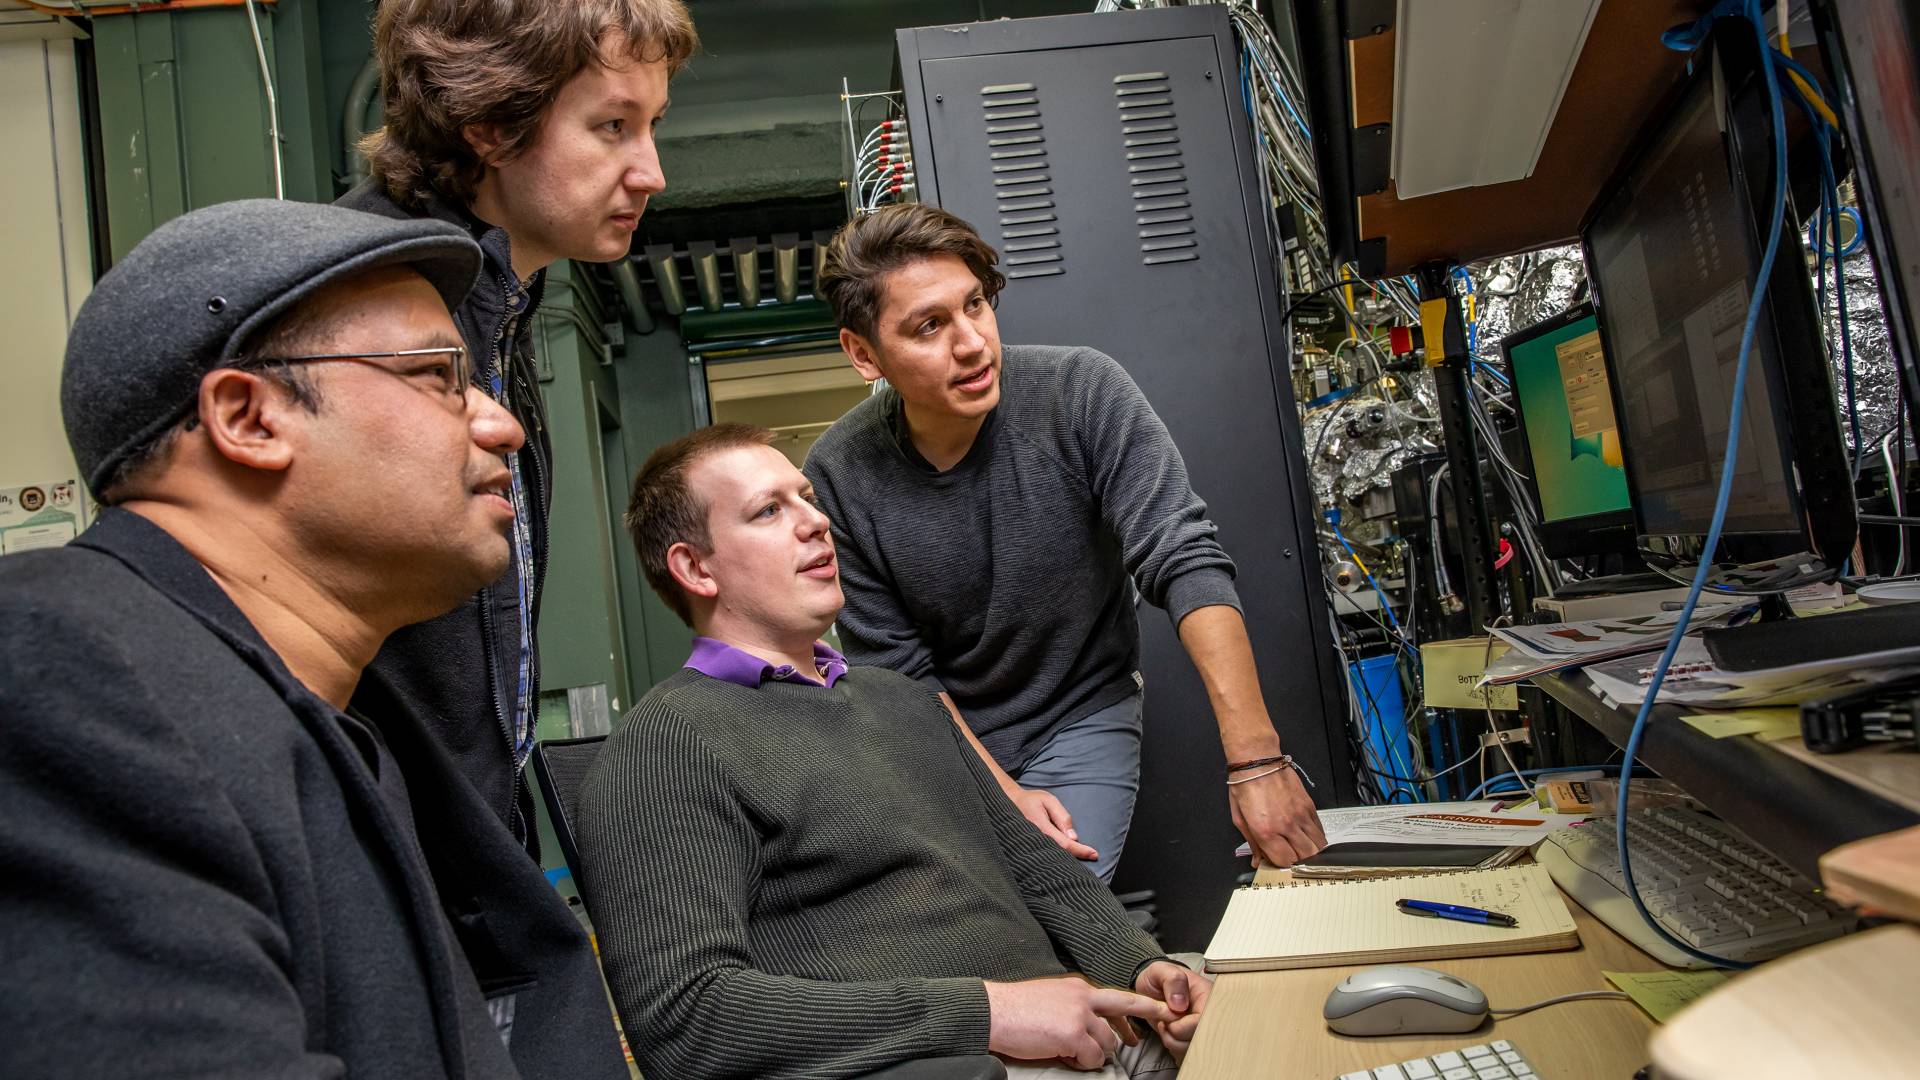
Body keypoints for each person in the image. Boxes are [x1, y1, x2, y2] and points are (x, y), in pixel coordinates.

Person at [0, 200, 626, 1080]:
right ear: (251, 419)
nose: (503, 425)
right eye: (440, 375)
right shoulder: (57, 666)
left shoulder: (345, 725)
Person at [576, 423, 1212, 1080]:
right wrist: (988, 1014)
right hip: (958, 1064)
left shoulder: (899, 698)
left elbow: (1035, 866)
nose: (814, 523)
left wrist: (1140, 965)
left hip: (1083, 1018)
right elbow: (685, 1018)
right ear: (693, 567)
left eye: (806, 497)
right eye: (769, 510)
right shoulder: (667, 745)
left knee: (1258, 1016)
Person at [804, 204, 1328, 880]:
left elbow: (1182, 555)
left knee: (1062, 913)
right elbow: (901, 678)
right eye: (929, 326)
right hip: (941, 740)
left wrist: (1257, 761)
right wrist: (1003, 796)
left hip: (1079, 712)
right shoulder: (837, 475)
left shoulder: (1080, 391)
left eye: (975, 306)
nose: (971, 343)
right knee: (961, 939)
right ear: (863, 353)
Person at [340, 0, 698, 853]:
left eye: (651, 125)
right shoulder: (365, 308)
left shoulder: (502, 300)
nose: (651, 172)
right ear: (490, 123)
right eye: (613, 125)